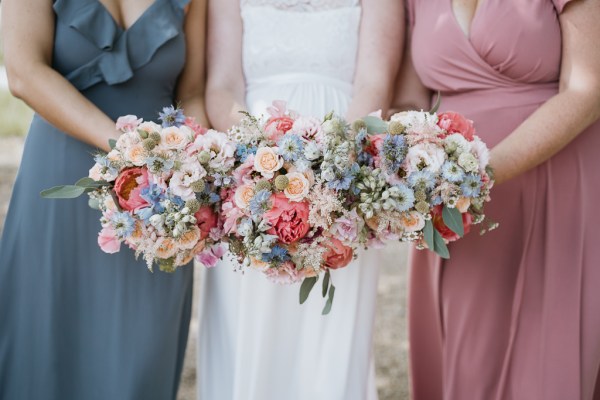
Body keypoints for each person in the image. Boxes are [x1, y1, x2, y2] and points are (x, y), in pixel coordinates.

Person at [0, 0, 206, 399]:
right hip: (62, 181)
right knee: (45, 353)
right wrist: (129, 148)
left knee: (140, 359)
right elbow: (24, 73)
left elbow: (192, 92)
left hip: (158, 203)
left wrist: (195, 162)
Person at [395, 0, 600, 399]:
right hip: (453, 208)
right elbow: (406, 101)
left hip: (556, 185)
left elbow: (586, 93)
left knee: (547, 359)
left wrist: (478, 174)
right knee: (469, 356)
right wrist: (419, 166)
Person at [197, 1, 402, 399]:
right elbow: (221, 86)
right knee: (249, 323)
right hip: (250, 171)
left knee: (329, 332)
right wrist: (265, 158)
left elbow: (375, 85)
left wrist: (326, 163)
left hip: (343, 170)